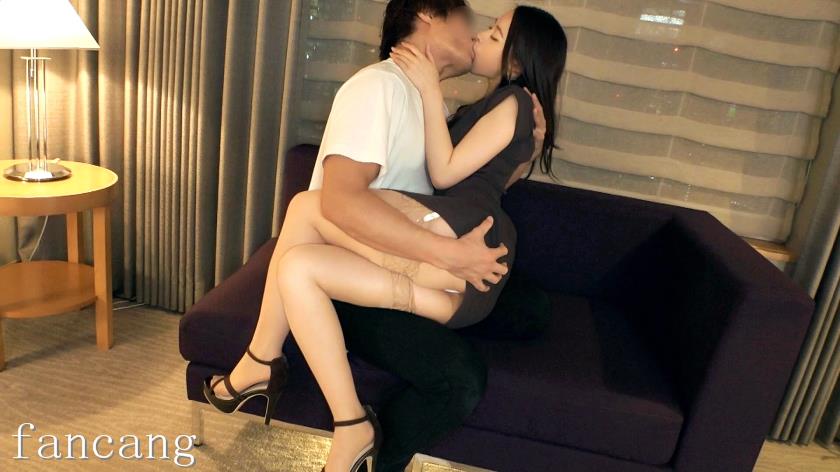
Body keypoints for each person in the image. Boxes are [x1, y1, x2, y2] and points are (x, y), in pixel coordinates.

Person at [204, 2, 566, 471]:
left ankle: (263, 361)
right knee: (299, 259)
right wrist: (448, 251)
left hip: (440, 247)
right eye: (474, 23)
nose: (477, 34)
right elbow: (349, 200)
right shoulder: (380, 88)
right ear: (429, 16)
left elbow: (462, 176)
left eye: (493, 34)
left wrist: (520, 148)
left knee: (304, 209)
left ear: (516, 63)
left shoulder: (453, 101)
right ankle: (348, 424)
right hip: (423, 259)